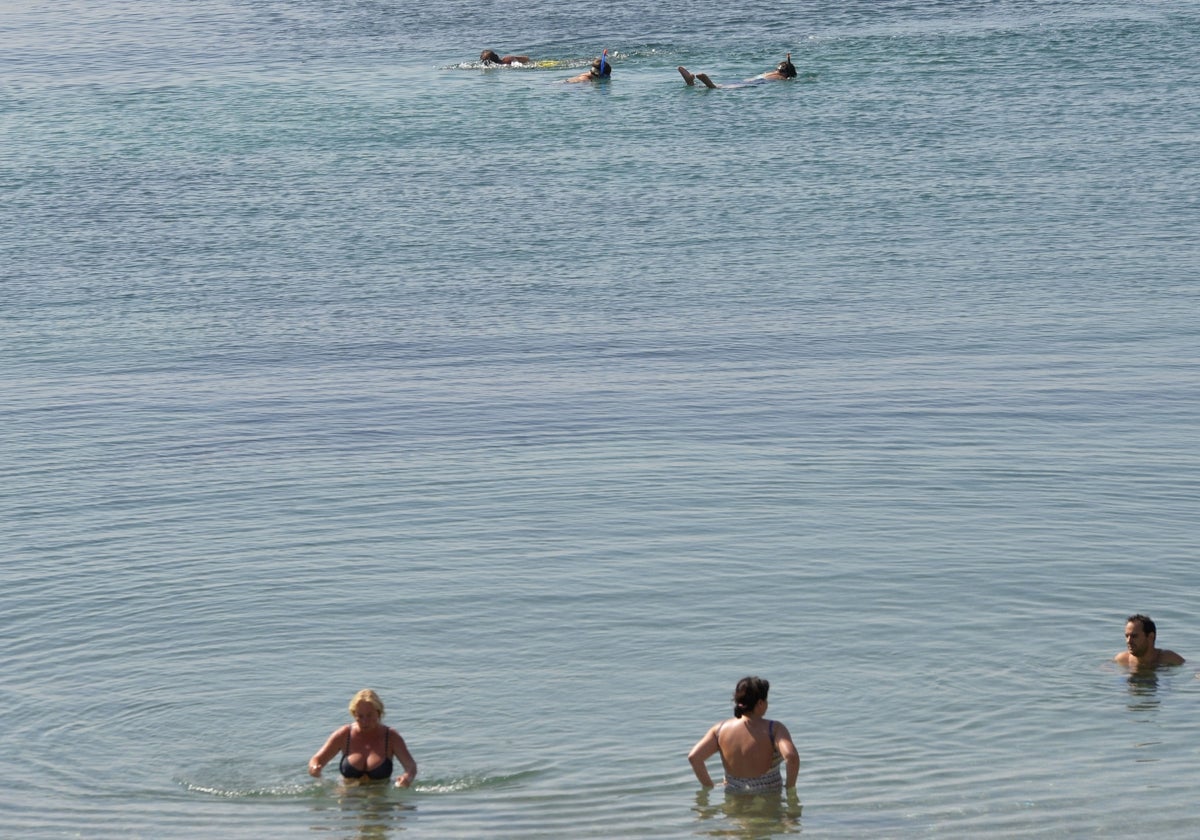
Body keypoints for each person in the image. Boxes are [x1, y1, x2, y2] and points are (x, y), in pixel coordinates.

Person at [688, 676, 800, 793]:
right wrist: (790, 788)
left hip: (734, 800)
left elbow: (694, 757)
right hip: (767, 800)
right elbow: (791, 757)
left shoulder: (720, 730)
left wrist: (709, 786)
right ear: (760, 703)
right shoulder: (774, 729)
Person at [309, 689, 418, 787]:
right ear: (354, 714)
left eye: (369, 715)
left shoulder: (391, 737)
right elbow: (317, 760)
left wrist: (407, 778)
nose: (365, 721)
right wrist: (315, 769)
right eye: (360, 716)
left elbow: (411, 766)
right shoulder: (344, 734)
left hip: (380, 798)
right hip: (348, 795)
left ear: (378, 713)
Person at [678, 53, 797, 89]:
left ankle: (691, 82)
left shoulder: (770, 72)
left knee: (724, 84)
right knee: (719, 87)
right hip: (755, 83)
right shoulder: (782, 78)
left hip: (750, 79)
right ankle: (709, 83)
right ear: (787, 73)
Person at [1115, 614, 1185, 668]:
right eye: (1126, 636)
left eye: (1134, 636)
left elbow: (1190, 667)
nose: (1128, 641)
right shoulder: (1123, 659)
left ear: (1150, 637)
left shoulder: (1166, 658)